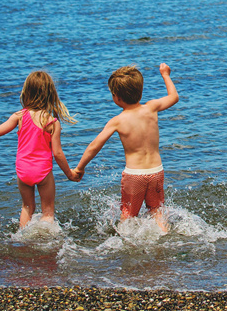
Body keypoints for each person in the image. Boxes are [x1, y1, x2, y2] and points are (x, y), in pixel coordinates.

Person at [0, 71, 79, 229]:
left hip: (23, 171)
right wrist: (69, 174)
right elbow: (57, 153)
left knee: (27, 208)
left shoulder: (19, 116)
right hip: (42, 171)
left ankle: (22, 237)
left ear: (27, 92)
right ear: (50, 94)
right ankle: (47, 240)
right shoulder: (51, 122)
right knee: (48, 212)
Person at [73, 63, 179, 231]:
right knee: (157, 210)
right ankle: (165, 237)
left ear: (117, 98)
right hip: (156, 171)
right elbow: (174, 97)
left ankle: (125, 243)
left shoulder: (118, 121)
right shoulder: (152, 108)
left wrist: (79, 168)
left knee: (128, 214)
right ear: (140, 91)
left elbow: (95, 146)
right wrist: (165, 75)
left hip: (134, 175)